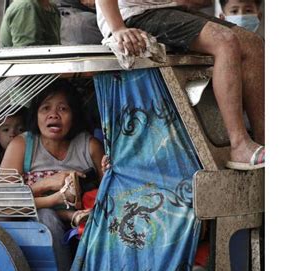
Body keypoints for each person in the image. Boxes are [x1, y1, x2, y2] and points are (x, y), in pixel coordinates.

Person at [95, 0, 265, 170]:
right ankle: (239, 145)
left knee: (253, 44)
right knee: (224, 41)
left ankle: (262, 142)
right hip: (131, 15)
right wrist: (118, 28)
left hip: (169, 9)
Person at [0, 79, 105, 271]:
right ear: (36, 115)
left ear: (73, 115)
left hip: (84, 220)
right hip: (33, 229)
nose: (53, 115)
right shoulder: (22, 145)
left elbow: (109, 191)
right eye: (45, 108)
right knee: (47, 218)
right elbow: (4, 204)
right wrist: (48, 184)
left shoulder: (89, 146)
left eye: (63, 109)